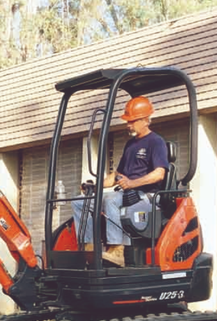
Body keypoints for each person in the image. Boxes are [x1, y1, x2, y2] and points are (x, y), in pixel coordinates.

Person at [71, 95, 169, 267]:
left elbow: (159, 174)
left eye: (132, 121)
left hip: (148, 196)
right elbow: (116, 176)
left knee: (111, 201)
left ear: (146, 120)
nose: (128, 124)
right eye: (128, 121)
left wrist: (132, 183)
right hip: (128, 194)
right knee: (80, 202)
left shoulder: (156, 142)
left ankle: (118, 250)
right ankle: (89, 246)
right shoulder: (131, 144)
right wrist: (94, 186)